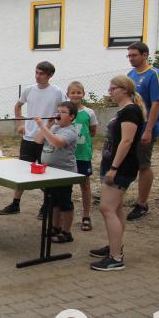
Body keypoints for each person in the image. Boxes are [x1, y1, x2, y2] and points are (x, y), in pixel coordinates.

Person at [90, 75, 146, 271]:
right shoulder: (123, 110)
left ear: (124, 89)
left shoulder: (130, 111)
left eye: (113, 88)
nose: (110, 92)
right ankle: (115, 246)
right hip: (112, 164)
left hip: (121, 167)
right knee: (117, 208)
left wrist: (114, 168)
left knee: (107, 208)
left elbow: (127, 141)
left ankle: (116, 257)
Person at [0, 61, 67, 217]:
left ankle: (46, 206)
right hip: (28, 137)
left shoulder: (57, 92)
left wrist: (50, 127)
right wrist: (19, 124)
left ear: (50, 76)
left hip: (46, 139)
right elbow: (18, 106)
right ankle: (15, 203)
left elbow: (63, 112)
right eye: (36, 72)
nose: (38, 76)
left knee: (45, 173)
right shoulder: (29, 89)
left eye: (41, 73)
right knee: (22, 170)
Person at [125, 42, 159, 221]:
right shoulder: (130, 75)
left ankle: (142, 204)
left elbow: (157, 102)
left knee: (143, 164)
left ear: (145, 55)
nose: (131, 58)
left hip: (145, 129)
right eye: (129, 55)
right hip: (131, 128)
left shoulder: (154, 74)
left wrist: (148, 130)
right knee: (129, 162)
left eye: (134, 55)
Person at [34, 101, 79, 243]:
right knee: (53, 202)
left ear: (71, 116)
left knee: (65, 202)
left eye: (63, 112)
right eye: (58, 111)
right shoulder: (53, 127)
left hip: (64, 173)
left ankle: (67, 232)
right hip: (50, 172)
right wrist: (47, 125)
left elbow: (56, 142)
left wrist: (42, 126)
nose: (58, 114)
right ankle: (56, 227)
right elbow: (38, 139)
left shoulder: (70, 131)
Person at [66, 81, 98, 232]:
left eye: (79, 92)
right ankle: (65, 215)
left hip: (83, 154)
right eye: (73, 92)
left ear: (83, 94)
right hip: (67, 155)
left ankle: (86, 216)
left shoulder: (89, 112)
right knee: (66, 186)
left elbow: (92, 131)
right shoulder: (64, 112)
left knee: (85, 185)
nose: (76, 95)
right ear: (68, 94)